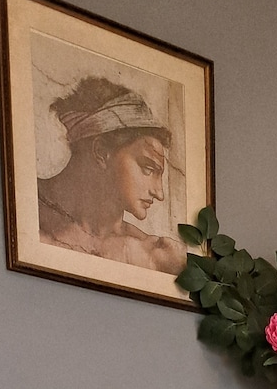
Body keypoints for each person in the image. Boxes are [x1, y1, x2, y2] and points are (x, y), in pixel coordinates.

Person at [37, 76, 186, 274]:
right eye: (148, 169)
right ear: (101, 152)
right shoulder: (25, 207)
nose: (159, 193)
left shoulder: (155, 256)